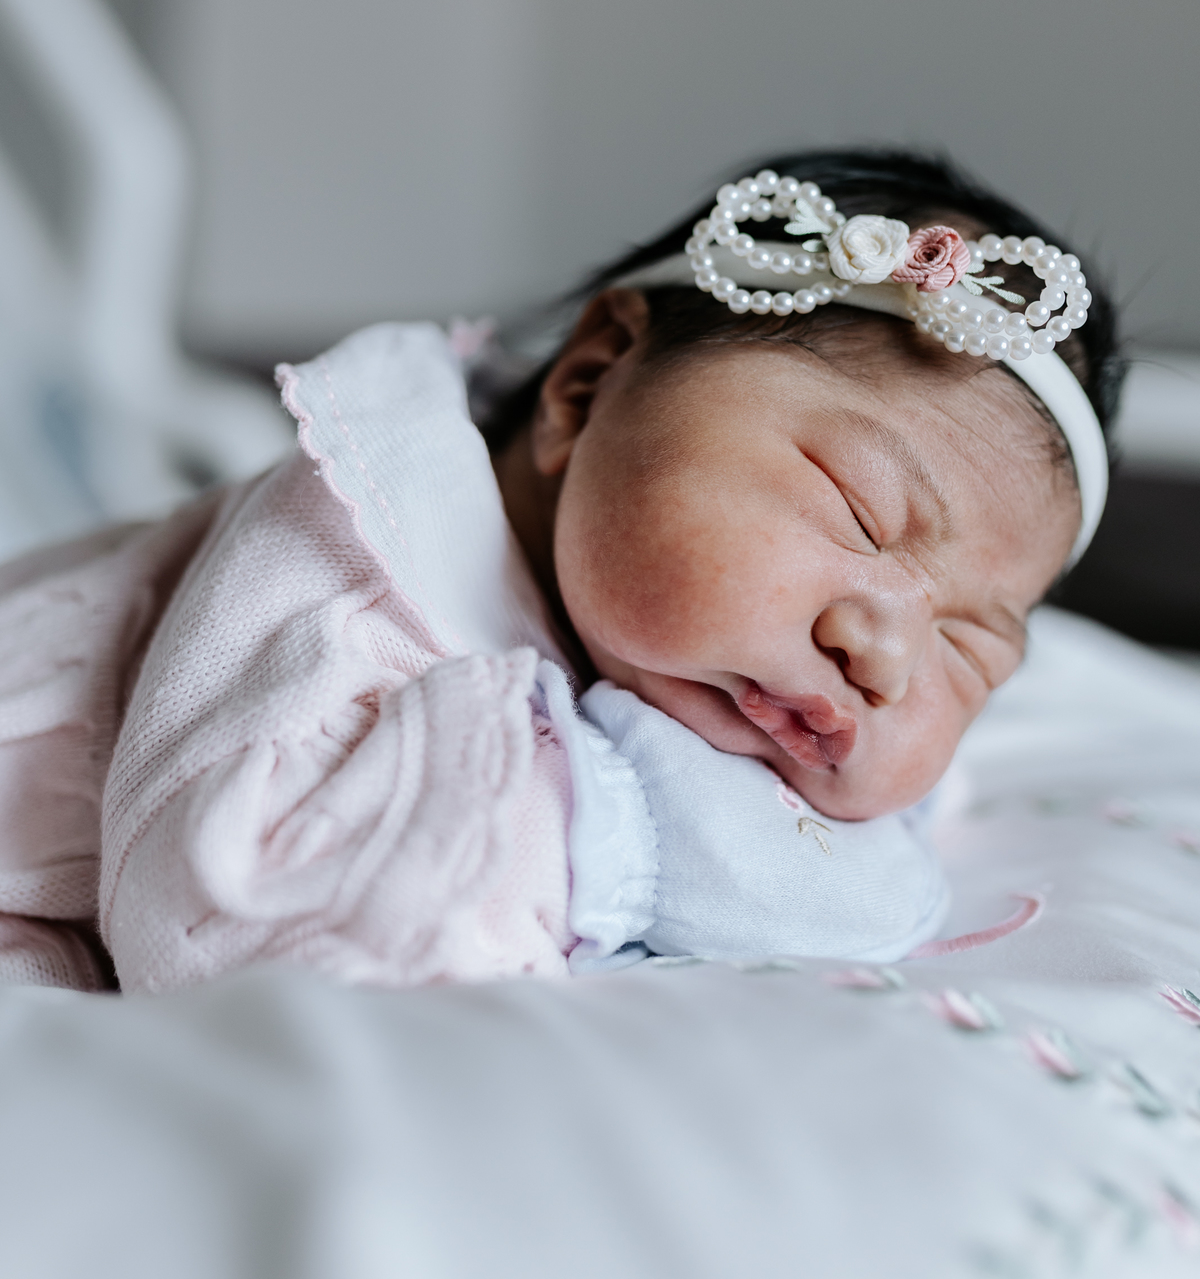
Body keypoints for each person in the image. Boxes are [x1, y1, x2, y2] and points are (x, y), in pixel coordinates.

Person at [0, 149, 1120, 993]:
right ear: (588, 383)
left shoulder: (706, 656)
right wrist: (625, 827)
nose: (887, 656)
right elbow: (228, 918)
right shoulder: (354, 566)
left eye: (971, 647)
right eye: (859, 513)